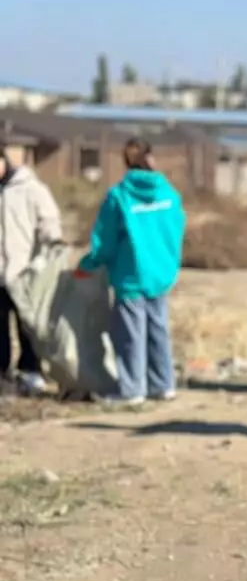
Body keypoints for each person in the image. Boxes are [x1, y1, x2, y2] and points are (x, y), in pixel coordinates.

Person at [76, 139, 185, 405]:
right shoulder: (168, 193)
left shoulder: (119, 196)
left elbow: (105, 240)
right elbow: (177, 227)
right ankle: (163, 384)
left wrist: (87, 264)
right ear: (151, 159)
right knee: (158, 328)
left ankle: (132, 389)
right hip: (161, 273)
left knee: (130, 335)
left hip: (131, 275)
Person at [0, 149, 62, 395]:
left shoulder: (31, 188)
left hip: (24, 271)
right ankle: (2, 373)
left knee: (29, 326)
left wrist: (52, 242)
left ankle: (31, 370)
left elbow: (49, 221)